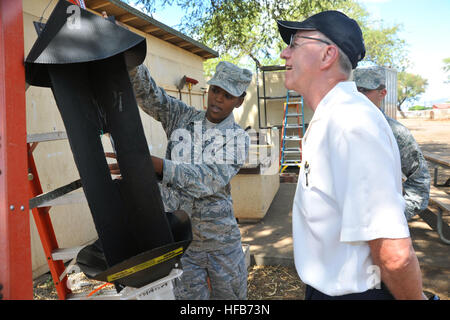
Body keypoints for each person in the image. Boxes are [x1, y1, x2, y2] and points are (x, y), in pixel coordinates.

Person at [277, 10, 426, 299]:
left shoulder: (352, 123)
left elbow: (394, 254)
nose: (285, 53)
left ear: (327, 55)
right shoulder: (332, 118)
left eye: (294, 44)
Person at [121, 61, 252, 300]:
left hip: (220, 244)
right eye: (215, 90)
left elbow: (208, 179)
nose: (218, 99)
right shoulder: (181, 117)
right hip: (182, 243)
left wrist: (161, 167)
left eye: (228, 95)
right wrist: (132, 63)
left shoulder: (237, 138)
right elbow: (151, 96)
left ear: (239, 101)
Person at [353, 66, 430, 221]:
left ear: (383, 93)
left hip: (378, 228)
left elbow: (420, 182)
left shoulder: (396, 133)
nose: (359, 96)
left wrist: (397, 217)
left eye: (365, 90)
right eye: (356, 90)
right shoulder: (338, 127)